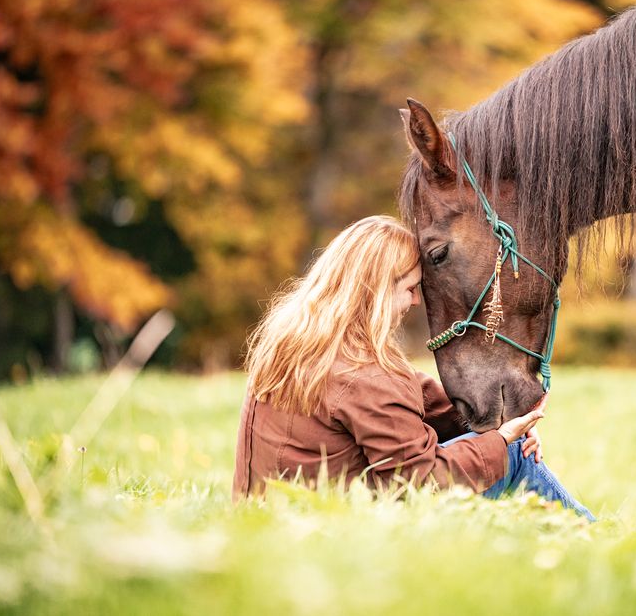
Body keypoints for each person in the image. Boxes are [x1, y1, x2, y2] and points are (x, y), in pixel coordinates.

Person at [232, 215, 593, 520]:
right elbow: (421, 480)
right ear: (374, 291)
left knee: (499, 447)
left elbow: (412, 403)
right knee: (509, 455)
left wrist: (499, 421)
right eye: (410, 288)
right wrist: (500, 442)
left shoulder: (295, 345)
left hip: (274, 518)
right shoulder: (362, 376)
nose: (416, 300)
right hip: (339, 529)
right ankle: (591, 539)